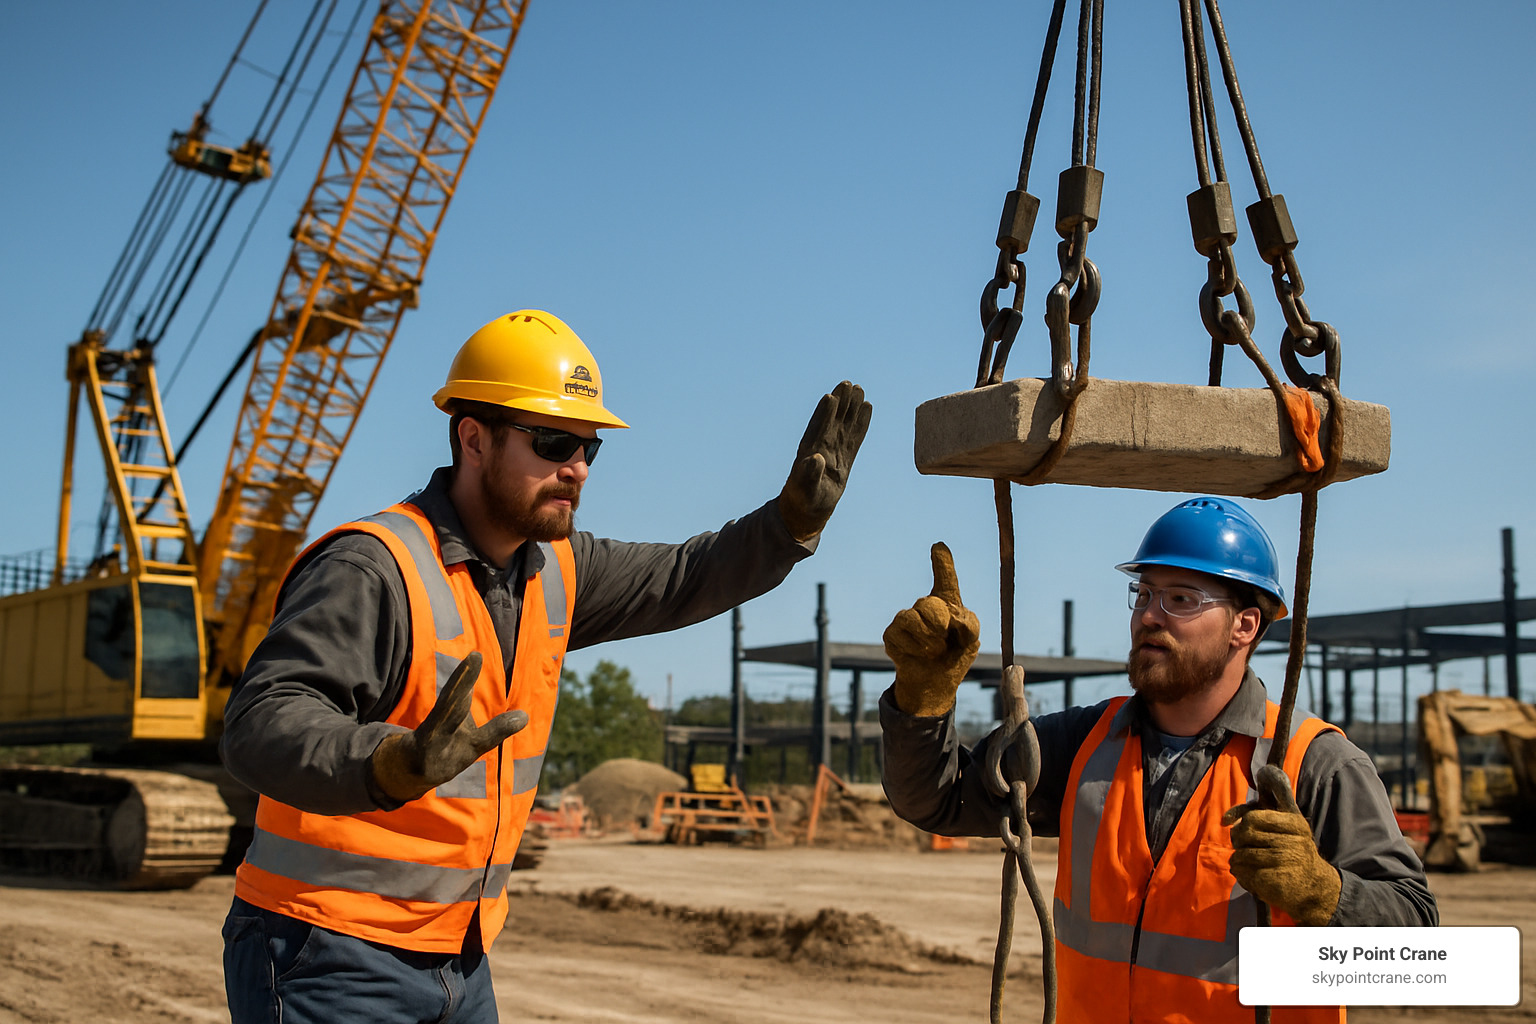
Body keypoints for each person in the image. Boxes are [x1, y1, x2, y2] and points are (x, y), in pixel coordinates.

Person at [219, 309, 872, 1023]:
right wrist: (389, 762)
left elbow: (689, 574)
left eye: (589, 447)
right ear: (474, 438)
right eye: (554, 442)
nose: (578, 468)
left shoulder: (555, 570)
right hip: (325, 947)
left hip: (459, 955)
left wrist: (788, 525)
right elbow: (260, 723)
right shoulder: (372, 569)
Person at [879, 495, 1436, 1024]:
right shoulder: (1083, 742)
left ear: (1245, 625)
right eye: (1144, 594)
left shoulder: (1314, 764)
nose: (1149, 616)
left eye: (1181, 600)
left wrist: (1326, 893)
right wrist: (922, 699)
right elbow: (938, 799)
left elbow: (1418, 958)